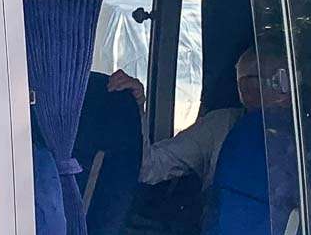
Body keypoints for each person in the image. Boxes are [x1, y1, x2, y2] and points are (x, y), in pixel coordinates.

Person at [107, 47, 282, 188]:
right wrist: (136, 105)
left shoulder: (299, 132)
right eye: (245, 83)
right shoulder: (220, 125)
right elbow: (149, 167)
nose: (249, 91)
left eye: (280, 80)